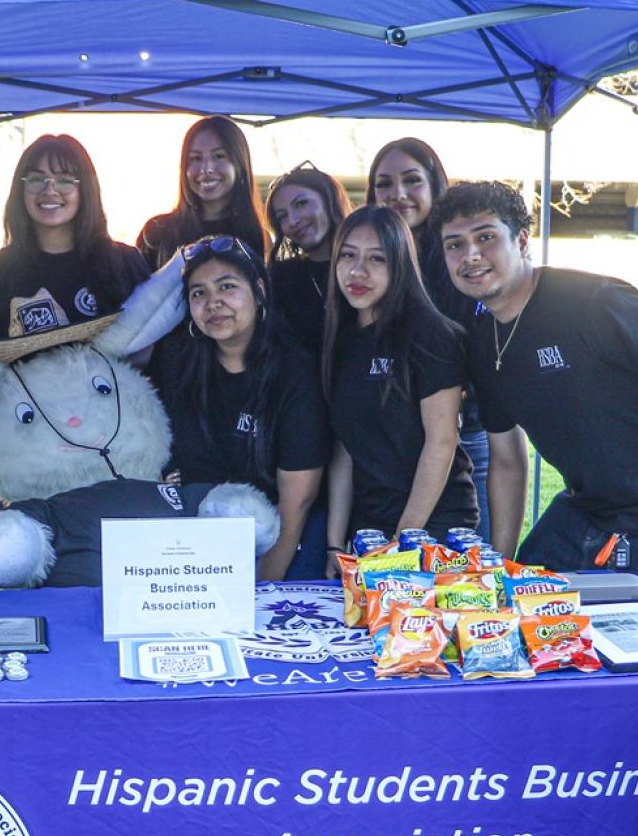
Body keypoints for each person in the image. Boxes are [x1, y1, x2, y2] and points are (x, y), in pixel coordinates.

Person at [433, 181, 638, 597]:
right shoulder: (481, 340)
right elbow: (507, 460)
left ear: (521, 241)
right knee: (521, 603)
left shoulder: (595, 301)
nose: (471, 256)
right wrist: (499, 566)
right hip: (585, 509)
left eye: (485, 237)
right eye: (454, 245)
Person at [146, 235, 330, 579]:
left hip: (281, 535)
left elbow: (297, 502)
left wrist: (261, 588)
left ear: (259, 291)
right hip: (196, 535)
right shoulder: (177, 365)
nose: (213, 303)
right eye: (198, 293)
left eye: (227, 287)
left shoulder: (295, 374)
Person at [320, 205, 492, 572]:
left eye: (376, 259)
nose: (357, 271)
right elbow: (345, 450)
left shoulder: (431, 334)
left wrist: (402, 544)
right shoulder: (341, 339)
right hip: (369, 531)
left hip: (435, 528)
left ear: (400, 265)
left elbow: (441, 442)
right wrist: (335, 544)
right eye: (348, 255)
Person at [367, 137, 492, 534]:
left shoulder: (459, 258)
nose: (397, 194)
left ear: (435, 184)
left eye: (411, 180)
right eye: (384, 184)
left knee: (472, 576)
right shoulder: (375, 263)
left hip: (464, 439)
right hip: (392, 446)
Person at [0, 135, 149, 348]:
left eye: (64, 180)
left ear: (86, 189)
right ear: (20, 189)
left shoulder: (125, 264)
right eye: (36, 179)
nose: (49, 191)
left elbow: (150, 351)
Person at [135, 116, 270, 270]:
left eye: (218, 156)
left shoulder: (256, 235)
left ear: (240, 164)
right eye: (196, 158)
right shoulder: (157, 232)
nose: (206, 169)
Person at [264, 161, 351, 355]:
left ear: (329, 200)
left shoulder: (369, 264)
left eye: (301, 204)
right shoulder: (280, 278)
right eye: (282, 216)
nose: (293, 221)